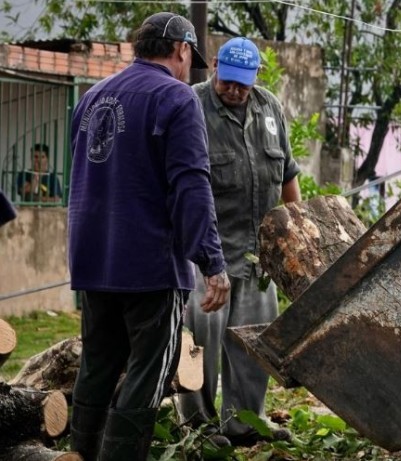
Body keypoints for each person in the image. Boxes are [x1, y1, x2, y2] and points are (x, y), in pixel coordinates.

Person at [67, 12, 230, 461]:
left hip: (93, 259)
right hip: (150, 265)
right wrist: (212, 262)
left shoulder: (90, 96)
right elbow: (192, 184)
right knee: (148, 372)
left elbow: (82, 178)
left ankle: (78, 453)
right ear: (181, 50)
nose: (186, 67)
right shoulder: (176, 98)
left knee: (96, 365)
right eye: (187, 58)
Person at [176, 37, 301, 447]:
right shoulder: (191, 106)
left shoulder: (270, 108)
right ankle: (196, 428)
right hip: (206, 256)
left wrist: (295, 233)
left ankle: (245, 421)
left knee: (255, 346)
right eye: (227, 81)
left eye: (242, 84)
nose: (233, 90)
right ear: (213, 66)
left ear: (256, 77)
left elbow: (287, 176)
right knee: (198, 349)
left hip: (256, 257)